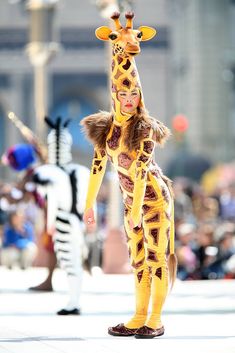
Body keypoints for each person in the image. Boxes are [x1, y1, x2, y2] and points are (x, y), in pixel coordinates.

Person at [81, 11, 177, 339]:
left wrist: (136, 210)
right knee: (138, 260)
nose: (128, 99)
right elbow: (97, 167)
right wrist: (89, 203)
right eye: (123, 95)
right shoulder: (107, 129)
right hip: (129, 201)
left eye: (133, 95)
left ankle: (156, 318)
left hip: (150, 198)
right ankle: (139, 316)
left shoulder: (144, 130)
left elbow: (139, 170)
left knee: (155, 256)